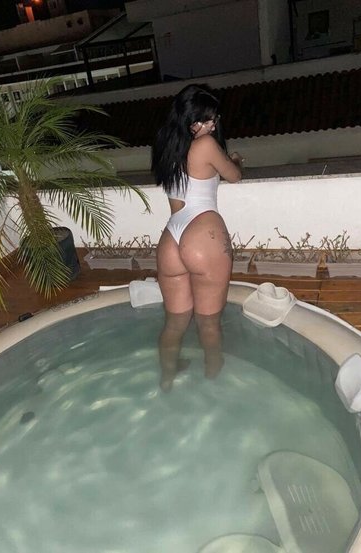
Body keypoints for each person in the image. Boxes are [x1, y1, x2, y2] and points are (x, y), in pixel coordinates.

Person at [151, 84, 243, 391]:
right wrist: (235, 160)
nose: (213, 125)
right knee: (208, 322)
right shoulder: (205, 144)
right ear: (191, 120)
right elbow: (234, 175)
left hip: (171, 236)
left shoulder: (166, 146)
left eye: (214, 118)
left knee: (175, 321)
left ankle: (167, 376)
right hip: (203, 233)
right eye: (206, 119)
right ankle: (214, 379)